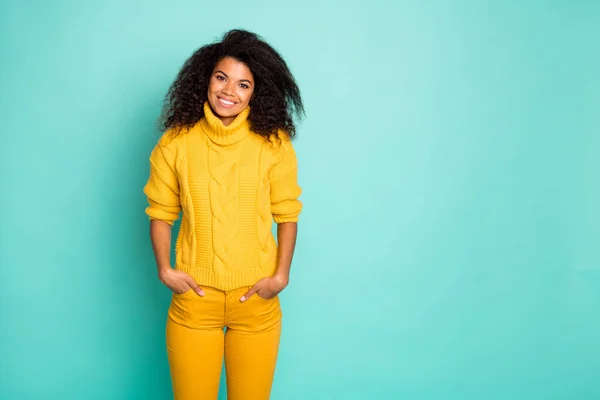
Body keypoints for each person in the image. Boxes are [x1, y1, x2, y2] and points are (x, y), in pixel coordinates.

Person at [143, 29, 304, 400]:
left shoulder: (274, 143)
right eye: (221, 78)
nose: (229, 91)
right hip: (195, 303)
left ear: (255, 93)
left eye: (243, 84)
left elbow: (288, 213)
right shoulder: (176, 142)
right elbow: (161, 211)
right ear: (205, 80)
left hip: (256, 303)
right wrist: (165, 269)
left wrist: (280, 276)